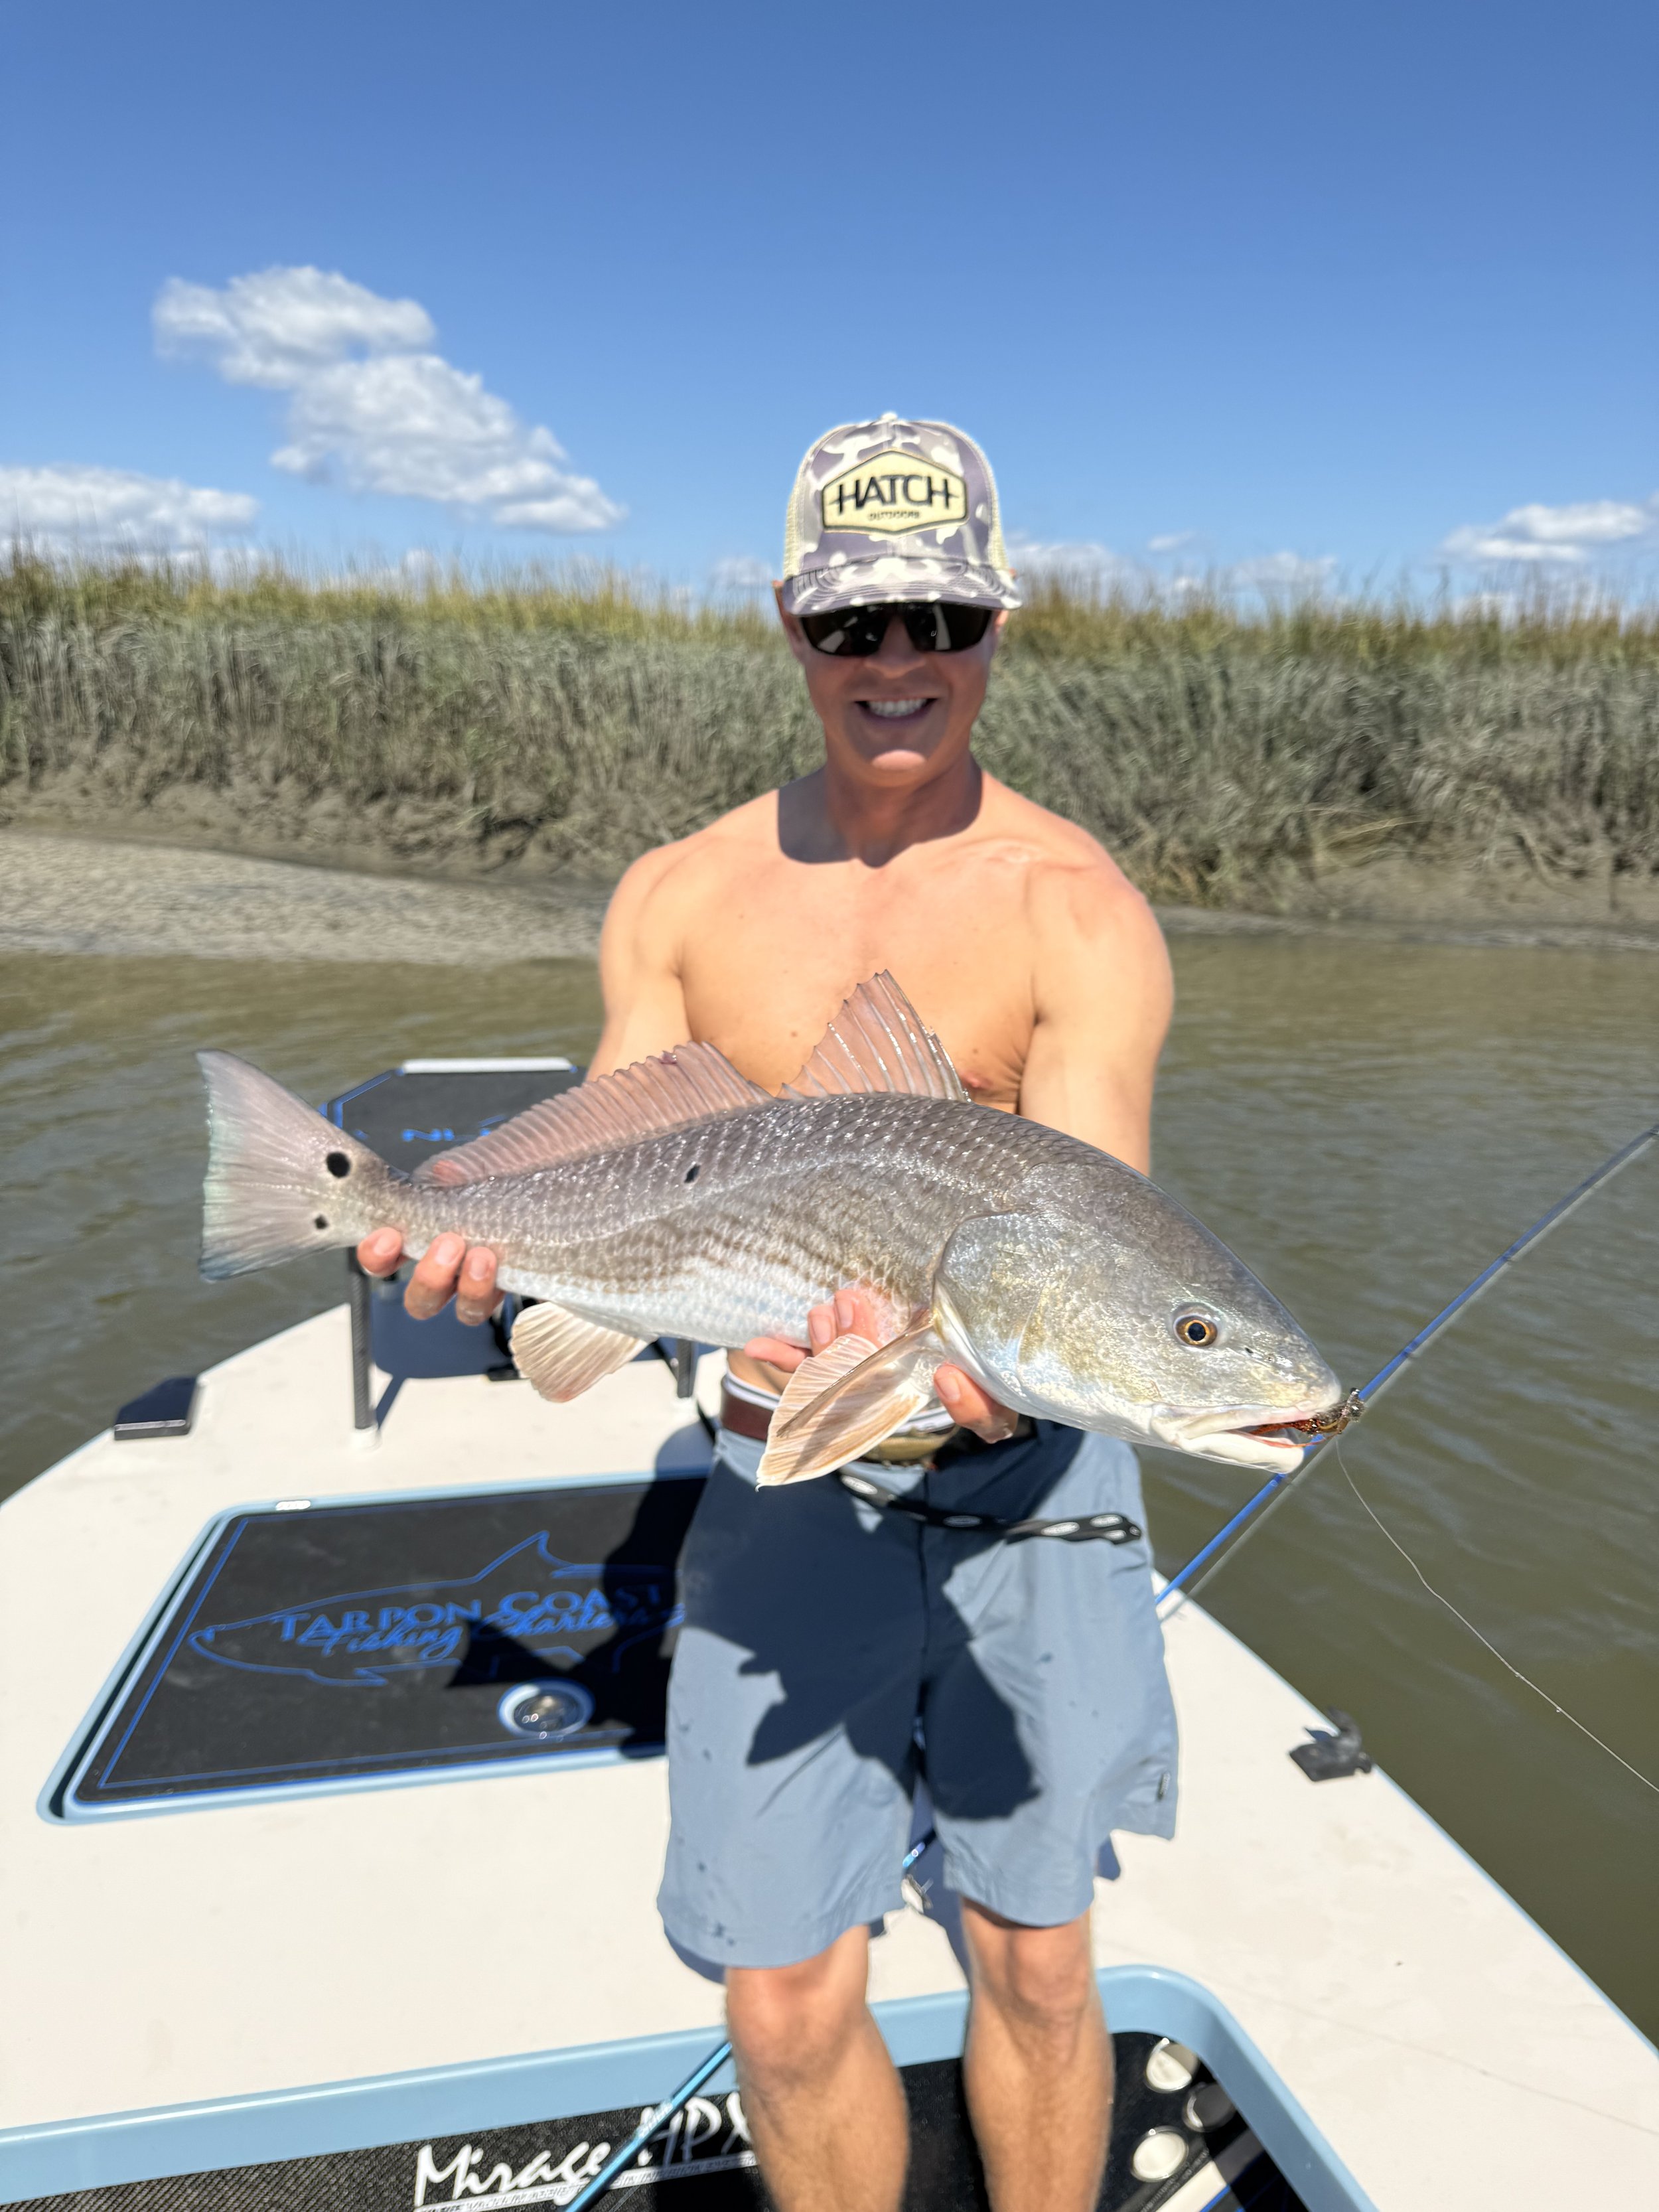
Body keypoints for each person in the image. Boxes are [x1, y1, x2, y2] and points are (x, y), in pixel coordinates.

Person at [356, 416, 1178, 2212]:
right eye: (851, 626)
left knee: (1036, 1955)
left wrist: (986, 1389)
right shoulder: (679, 892)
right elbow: (612, 1164)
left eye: (939, 617)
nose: (898, 664)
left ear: (995, 625)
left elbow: (1094, 1224)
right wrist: (480, 1264)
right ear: (791, 635)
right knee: (781, 1990)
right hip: (771, 1467)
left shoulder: (1075, 906)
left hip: (1021, 1476)